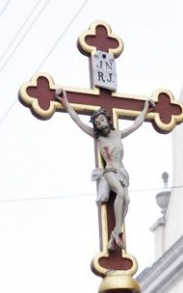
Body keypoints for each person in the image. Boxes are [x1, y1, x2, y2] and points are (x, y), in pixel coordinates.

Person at [56, 89, 154, 250]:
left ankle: (116, 232)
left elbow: (136, 124)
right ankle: (115, 233)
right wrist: (65, 103)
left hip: (121, 170)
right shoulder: (98, 138)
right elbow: (78, 121)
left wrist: (145, 109)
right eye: (98, 123)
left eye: (102, 120)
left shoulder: (118, 134)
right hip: (109, 170)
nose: (102, 124)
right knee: (120, 194)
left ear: (107, 119)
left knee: (127, 201)